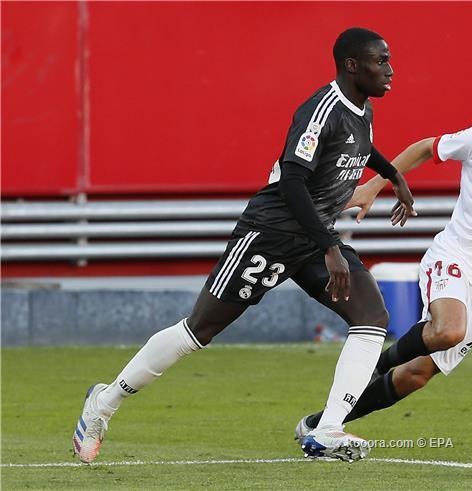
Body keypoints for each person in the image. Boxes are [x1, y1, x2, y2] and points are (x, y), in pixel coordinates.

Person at [72, 27, 416, 465]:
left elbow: (359, 146)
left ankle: (328, 429)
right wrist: (331, 246)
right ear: (352, 65)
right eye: (381, 61)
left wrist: (393, 175)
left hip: (314, 238)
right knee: (199, 330)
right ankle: (103, 403)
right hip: (271, 233)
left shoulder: (361, 107)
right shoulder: (320, 110)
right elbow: (292, 180)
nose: (390, 69)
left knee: (372, 318)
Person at [294, 73, 472, 437]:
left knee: (415, 375)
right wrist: (374, 185)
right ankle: (375, 365)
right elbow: (424, 148)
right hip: (454, 256)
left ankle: (322, 423)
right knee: (449, 330)